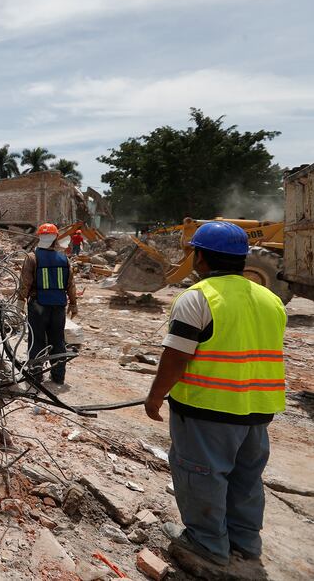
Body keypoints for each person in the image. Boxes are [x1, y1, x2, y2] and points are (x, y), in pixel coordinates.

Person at [143, 221, 285, 568]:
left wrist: (155, 396)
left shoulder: (197, 299)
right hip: (256, 409)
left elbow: (176, 356)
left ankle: (208, 544)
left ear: (201, 257)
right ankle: (246, 541)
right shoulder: (271, 299)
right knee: (245, 479)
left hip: (208, 409)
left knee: (200, 475)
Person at [18, 223, 78, 385]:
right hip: (58, 306)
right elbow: (70, 284)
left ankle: (35, 375)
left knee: (37, 339)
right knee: (57, 340)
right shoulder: (64, 258)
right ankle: (59, 376)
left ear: (39, 237)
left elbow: (25, 282)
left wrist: (20, 302)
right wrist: (73, 304)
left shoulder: (32, 257)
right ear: (56, 238)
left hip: (38, 305)